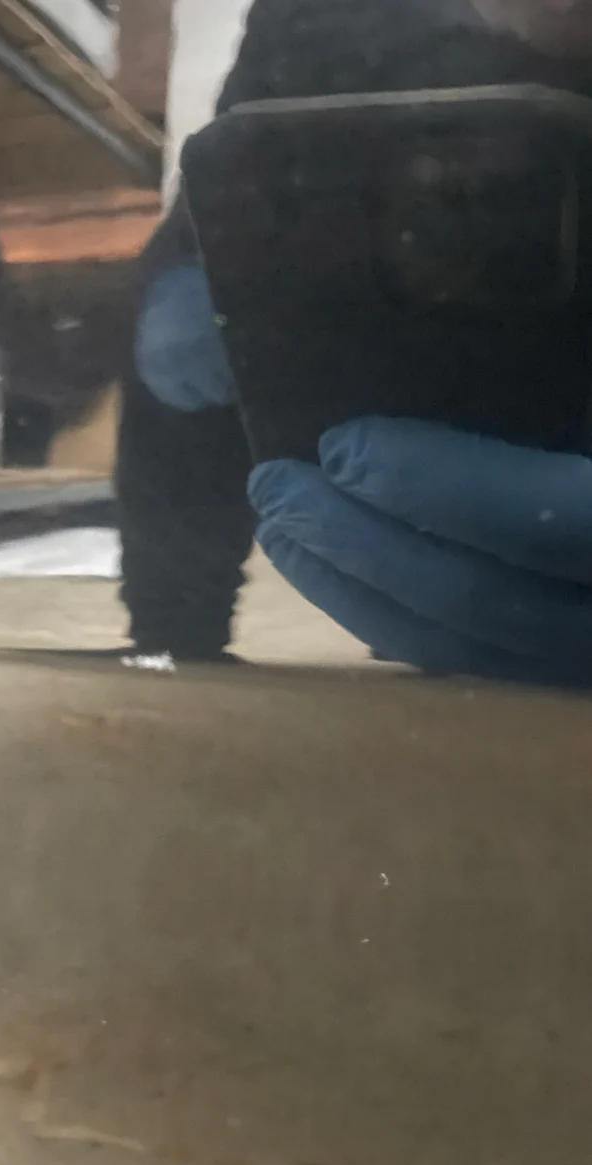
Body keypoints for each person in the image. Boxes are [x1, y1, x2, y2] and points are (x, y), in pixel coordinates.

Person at [118, 0, 592, 685]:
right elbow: (233, 189)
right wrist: (171, 634)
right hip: (402, 427)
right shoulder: (324, 16)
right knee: (420, 596)